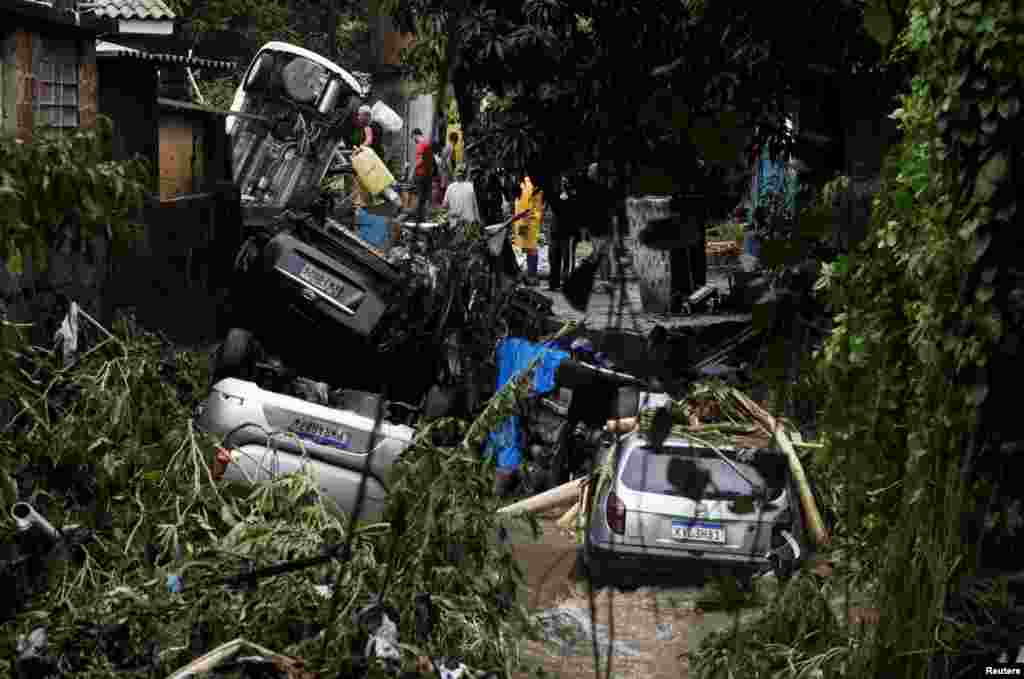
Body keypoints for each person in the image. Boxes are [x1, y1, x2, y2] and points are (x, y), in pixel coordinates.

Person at [513, 174, 544, 286]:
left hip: (527, 221)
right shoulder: (526, 184)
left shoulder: (528, 185)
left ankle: (532, 275)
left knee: (531, 248)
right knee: (528, 248)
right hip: (525, 221)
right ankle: (531, 274)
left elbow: (530, 205)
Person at [412, 128, 434, 212]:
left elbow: (421, 159)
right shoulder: (427, 142)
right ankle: (424, 214)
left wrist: (413, 169)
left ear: (415, 135)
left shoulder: (420, 144)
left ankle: (417, 214)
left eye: (413, 137)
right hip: (427, 173)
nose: (414, 140)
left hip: (421, 173)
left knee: (419, 196)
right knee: (425, 196)